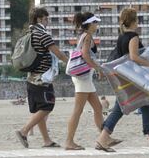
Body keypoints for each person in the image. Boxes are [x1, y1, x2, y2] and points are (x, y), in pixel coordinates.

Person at [95, 8, 149, 152]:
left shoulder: (121, 37)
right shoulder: (133, 36)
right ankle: (102, 139)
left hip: (125, 77)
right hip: (133, 79)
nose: (138, 22)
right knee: (120, 109)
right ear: (134, 21)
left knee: (146, 105)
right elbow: (134, 57)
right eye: (137, 20)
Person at [15, 8, 68, 148]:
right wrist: (71, 62)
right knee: (47, 107)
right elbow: (58, 53)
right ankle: (24, 131)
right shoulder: (42, 35)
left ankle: (46, 140)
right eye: (46, 19)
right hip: (42, 79)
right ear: (39, 19)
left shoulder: (29, 33)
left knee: (40, 109)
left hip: (31, 78)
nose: (47, 22)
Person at [64, 12, 105, 150]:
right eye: (95, 22)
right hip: (83, 78)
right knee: (78, 110)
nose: (96, 25)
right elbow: (86, 56)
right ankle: (69, 141)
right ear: (89, 24)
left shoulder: (84, 35)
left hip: (84, 78)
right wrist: (98, 68)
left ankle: (104, 138)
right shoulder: (87, 36)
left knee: (98, 108)